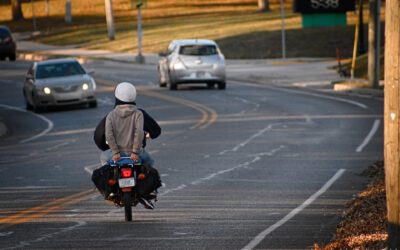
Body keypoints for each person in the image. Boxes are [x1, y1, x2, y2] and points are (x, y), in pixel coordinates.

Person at [100, 82, 154, 209]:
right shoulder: (138, 114)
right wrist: (135, 152)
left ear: (117, 96)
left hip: (116, 154)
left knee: (103, 159)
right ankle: (146, 191)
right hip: (134, 153)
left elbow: (108, 135)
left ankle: (110, 187)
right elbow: (138, 133)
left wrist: (115, 152)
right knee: (149, 163)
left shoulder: (111, 115)